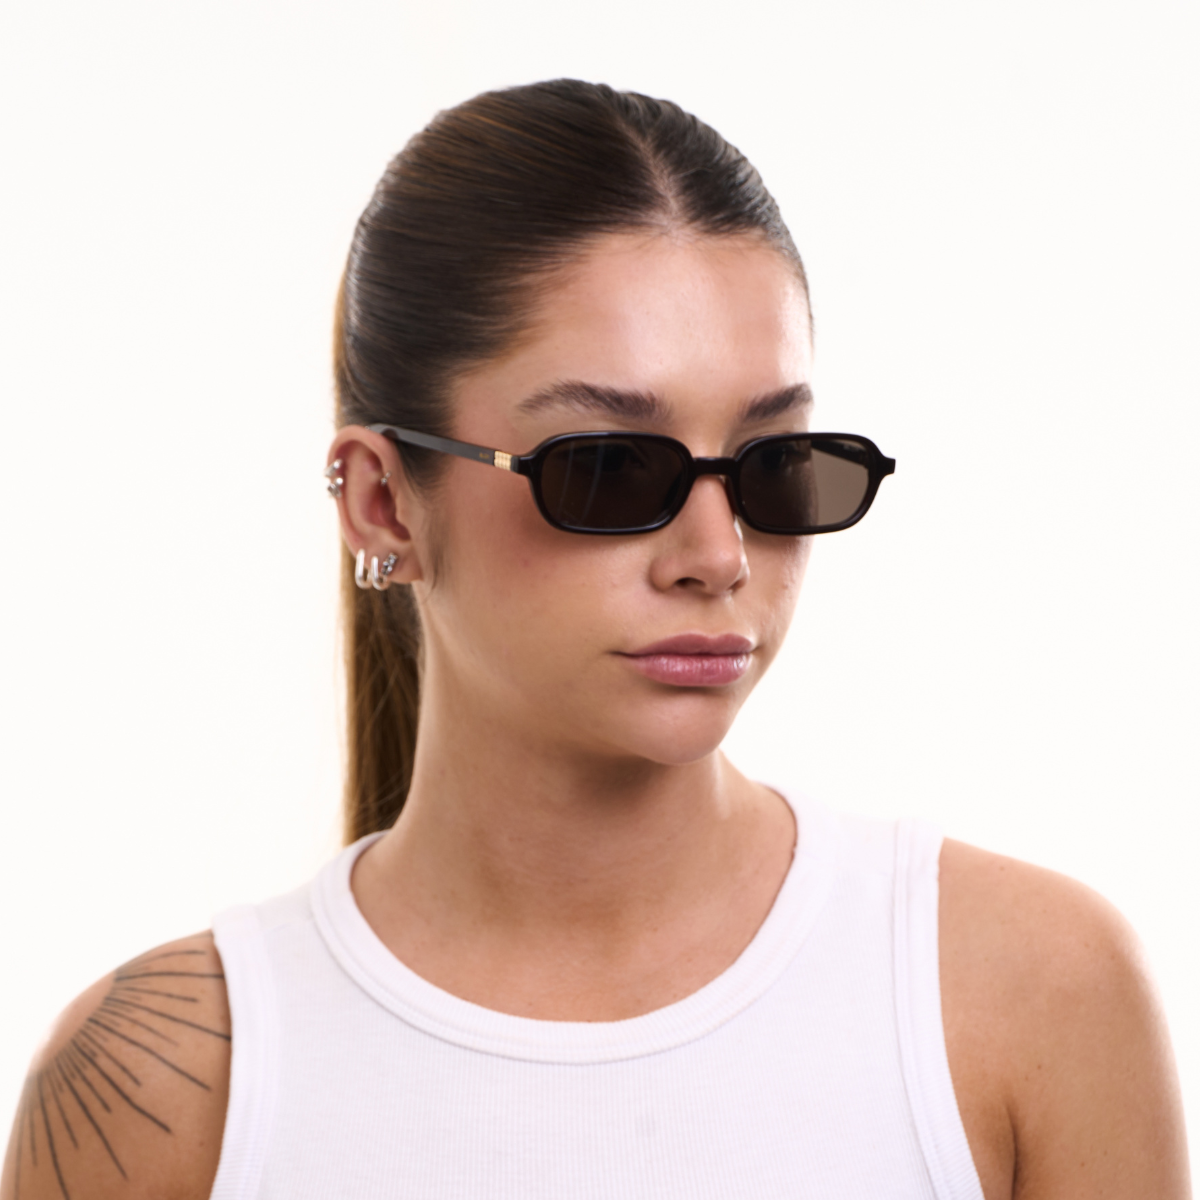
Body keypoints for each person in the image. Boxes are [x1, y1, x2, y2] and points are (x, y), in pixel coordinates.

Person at [1, 79, 1189, 1200]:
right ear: (382, 503)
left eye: (775, 463)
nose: (718, 555)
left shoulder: (1031, 993)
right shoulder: (160, 1089)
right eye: (611, 466)